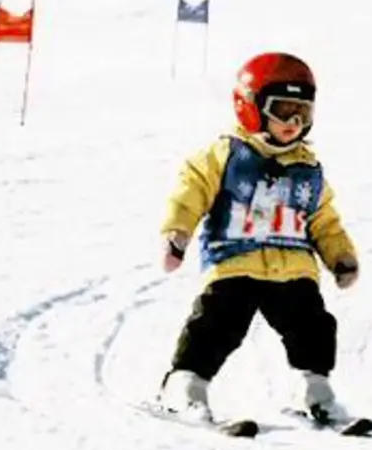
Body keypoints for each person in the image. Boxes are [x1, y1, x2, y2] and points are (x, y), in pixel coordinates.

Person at [155, 52, 361, 426]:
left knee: (312, 325)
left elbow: (324, 221)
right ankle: (185, 384)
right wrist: (178, 232)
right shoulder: (227, 155)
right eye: (283, 110)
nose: (294, 122)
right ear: (250, 108)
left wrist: (340, 257)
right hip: (236, 261)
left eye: (303, 112)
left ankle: (313, 388)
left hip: (295, 267)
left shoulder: (309, 170)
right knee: (219, 324)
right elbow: (192, 189)